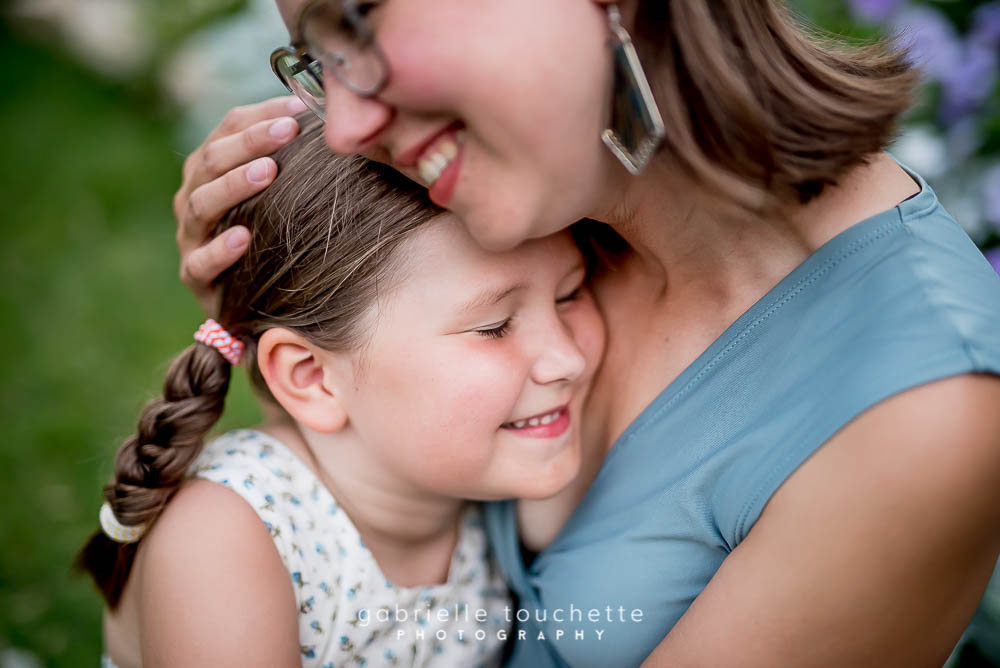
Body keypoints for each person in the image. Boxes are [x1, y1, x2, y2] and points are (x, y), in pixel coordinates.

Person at [171, 1, 1000, 665]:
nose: (345, 129)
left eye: (357, 23)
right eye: (319, 60)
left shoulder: (923, 414)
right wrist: (289, 299)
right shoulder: (532, 197)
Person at [79, 116, 606, 667]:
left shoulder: (479, 475)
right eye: (494, 326)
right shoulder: (224, 540)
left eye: (570, 293)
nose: (567, 358)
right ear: (311, 377)